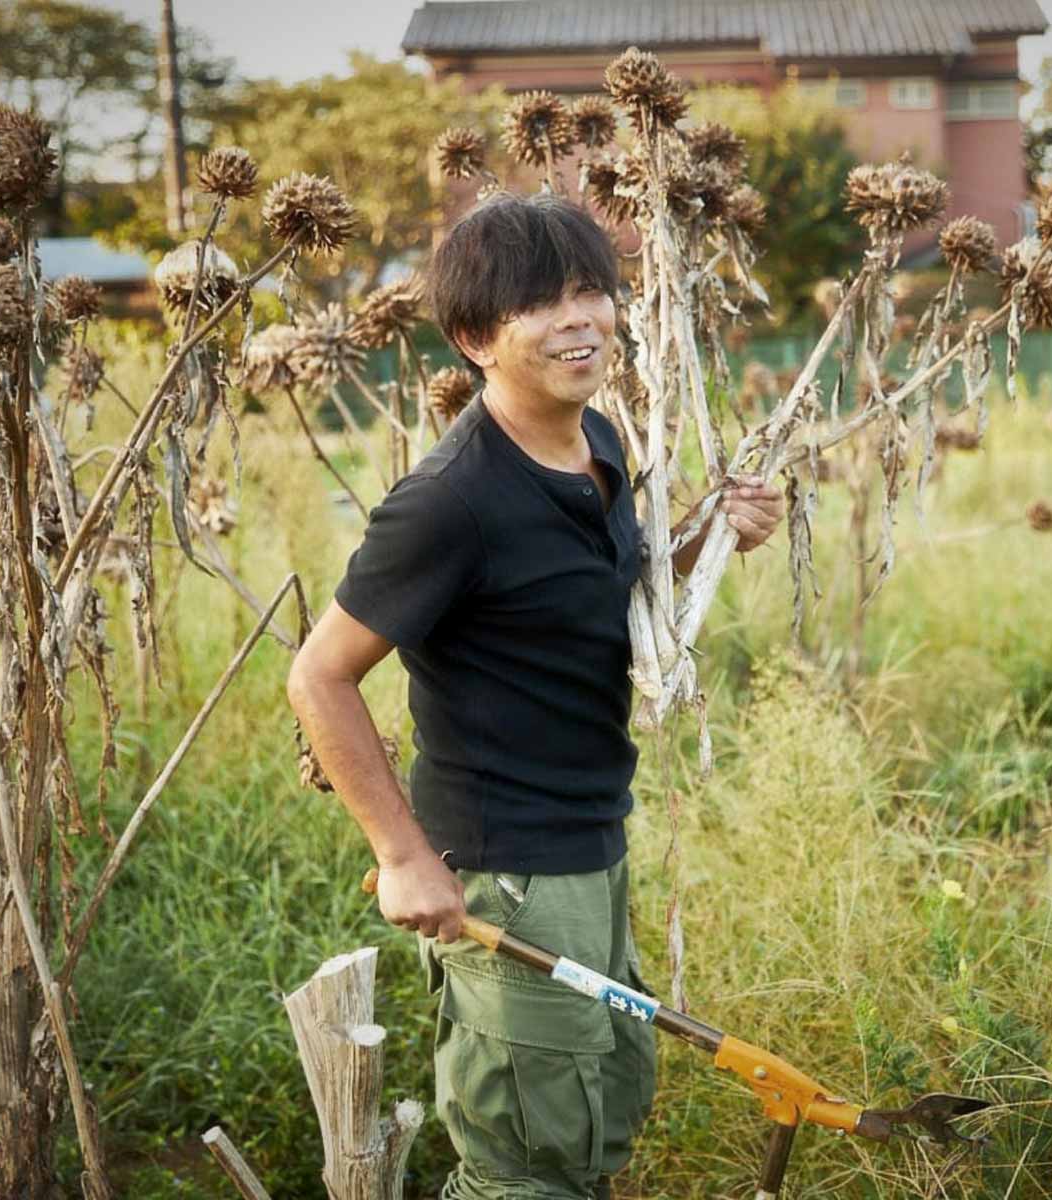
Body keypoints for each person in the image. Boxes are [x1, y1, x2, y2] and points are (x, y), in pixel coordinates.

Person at [286, 192, 785, 1200]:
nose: (580, 319)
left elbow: (608, 594)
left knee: (597, 1114)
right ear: (476, 339)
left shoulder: (596, 440)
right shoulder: (448, 503)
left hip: (592, 842)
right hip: (506, 866)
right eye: (541, 304)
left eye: (591, 290)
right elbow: (319, 674)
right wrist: (402, 857)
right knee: (526, 1161)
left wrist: (710, 533)